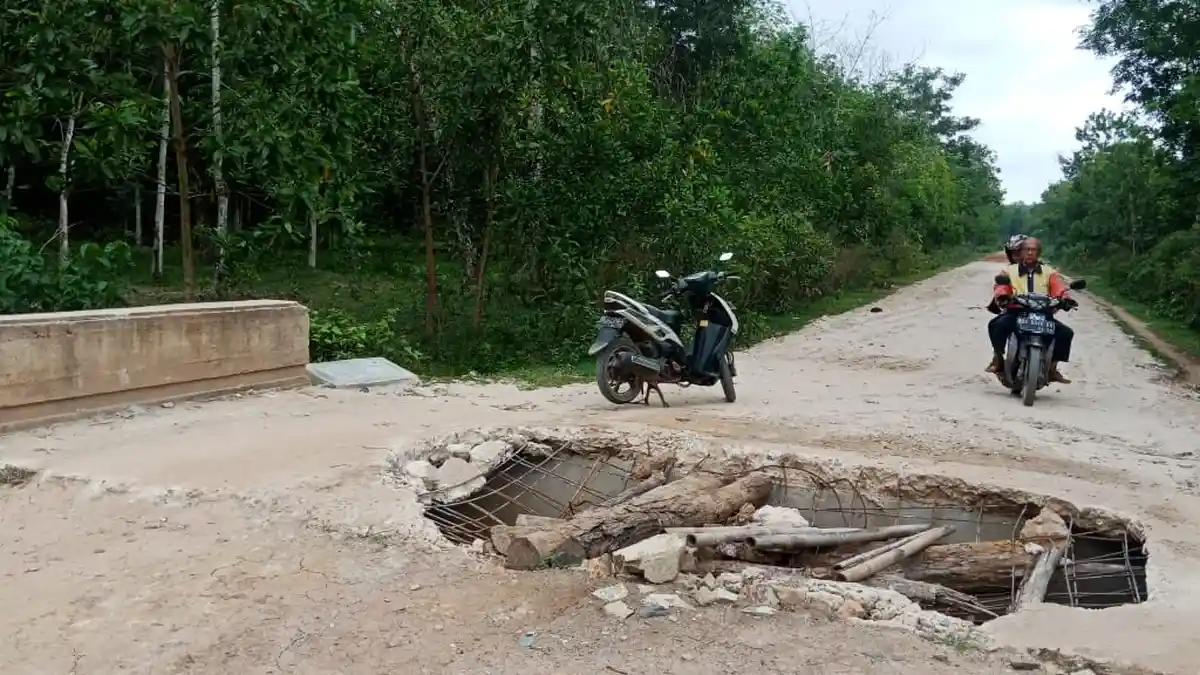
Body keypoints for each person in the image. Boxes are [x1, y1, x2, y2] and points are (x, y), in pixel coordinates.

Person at [985, 237, 1077, 383]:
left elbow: (1058, 287)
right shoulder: (1009, 270)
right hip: (1017, 311)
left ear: (1038, 253)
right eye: (1026, 249)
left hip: (1043, 313)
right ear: (1020, 252)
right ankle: (998, 359)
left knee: (1066, 333)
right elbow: (1001, 286)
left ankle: (1052, 368)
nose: (1029, 253)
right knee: (996, 325)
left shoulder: (1049, 272)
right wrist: (1003, 295)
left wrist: (1065, 299)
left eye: (1033, 250)